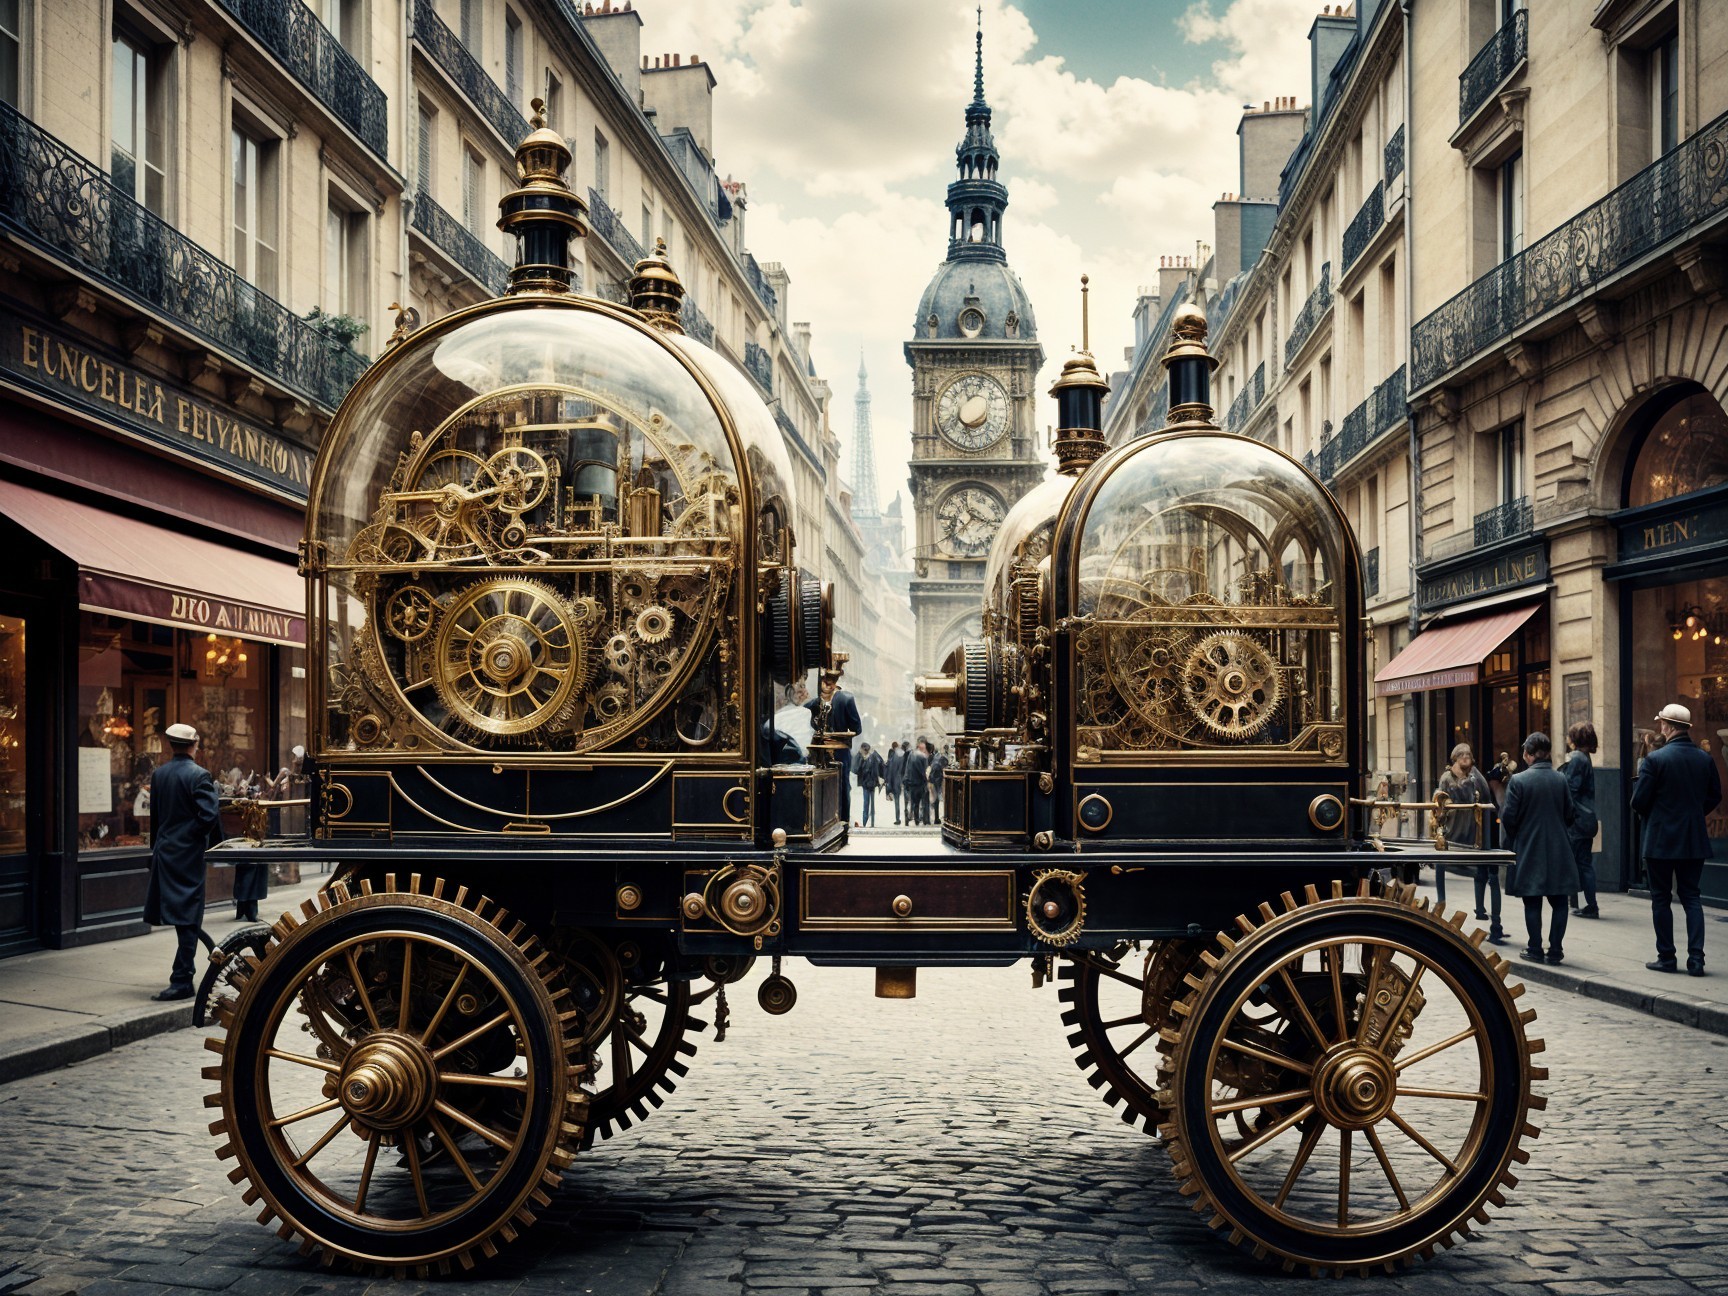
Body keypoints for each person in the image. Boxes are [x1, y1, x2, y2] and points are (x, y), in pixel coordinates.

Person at [1631, 703, 1722, 976]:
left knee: (1661, 898)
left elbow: (1638, 802)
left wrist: (1658, 814)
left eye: (1661, 723)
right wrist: (1694, 813)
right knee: (1692, 897)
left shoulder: (1655, 760)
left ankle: (1667, 957)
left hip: (1660, 839)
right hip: (1692, 838)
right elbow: (1714, 796)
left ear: (1668, 726)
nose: (1660, 727)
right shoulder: (1704, 759)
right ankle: (1696, 960)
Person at [142, 723, 224, 1001]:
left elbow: (155, 818)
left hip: (165, 853)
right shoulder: (200, 775)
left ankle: (182, 975)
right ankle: (182, 979)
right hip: (187, 856)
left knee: (183, 917)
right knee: (188, 916)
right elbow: (208, 816)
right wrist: (194, 840)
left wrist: (159, 847)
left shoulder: (160, 774)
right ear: (194, 745)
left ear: (171, 745)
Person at [1499, 732, 1578, 966]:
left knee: (1532, 901)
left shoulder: (1519, 780)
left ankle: (1535, 948)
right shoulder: (1560, 779)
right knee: (1560, 901)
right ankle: (1555, 950)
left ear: (1529, 754)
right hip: (1558, 847)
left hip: (1529, 846)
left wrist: (1513, 842)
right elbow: (1570, 814)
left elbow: (1509, 818)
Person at [1438, 743, 1502, 943]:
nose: (1466, 757)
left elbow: (1486, 799)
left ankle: (1490, 917)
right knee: (1442, 868)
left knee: (1487, 873)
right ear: (1454, 758)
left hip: (1475, 833)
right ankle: (1440, 907)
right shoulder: (1447, 778)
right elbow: (1442, 802)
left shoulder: (1476, 777)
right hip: (1454, 832)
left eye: (1468, 754)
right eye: (1461, 755)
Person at [806, 667, 862, 825]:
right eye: (824, 681)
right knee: (822, 785)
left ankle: (842, 821)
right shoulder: (813, 704)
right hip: (819, 752)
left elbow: (857, 729)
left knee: (841, 786)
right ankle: (826, 821)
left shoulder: (845, 699)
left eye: (829, 682)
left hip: (838, 751)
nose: (826, 685)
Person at [1563, 722, 1600, 918]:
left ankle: (1588, 905)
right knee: (1584, 862)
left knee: (1580, 863)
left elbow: (1570, 790)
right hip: (1585, 818)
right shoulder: (1584, 757)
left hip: (1577, 820)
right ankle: (1587, 904)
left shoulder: (1577, 758)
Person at [855, 742, 885, 828]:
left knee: (866, 804)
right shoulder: (871, 757)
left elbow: (856, 769)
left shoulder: (869, 757)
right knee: (869, 804)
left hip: (868, 784)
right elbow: (856, 769)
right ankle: (870, 823)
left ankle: (867, 823)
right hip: (870, 784)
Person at [902, 738, 930, 826]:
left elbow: (908, 768)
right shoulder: (923, 757)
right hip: (920, 783)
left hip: (912, 783)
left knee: (915, 803)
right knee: (923, 803)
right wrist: (926, 780)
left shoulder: (911, 754)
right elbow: (924, 771)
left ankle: (916, 820)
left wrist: (906, 779)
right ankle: (924, 820)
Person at [886, 741, 906, 824]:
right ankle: (907, 817)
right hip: (904, 780)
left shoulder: (894, 756)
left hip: (896, 781)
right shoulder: (903, 754)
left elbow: (891, 771)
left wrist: (889, 784)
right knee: (907, 800)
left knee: (897, 801)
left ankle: (898, 819)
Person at [928, 745, 948, 822]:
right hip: (934, 785)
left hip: (934, 784)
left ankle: (935, 817)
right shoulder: (938, 766)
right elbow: (935, 777)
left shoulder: (937, 763)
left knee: (935, 801)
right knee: (935, 801)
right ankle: (936, 818)